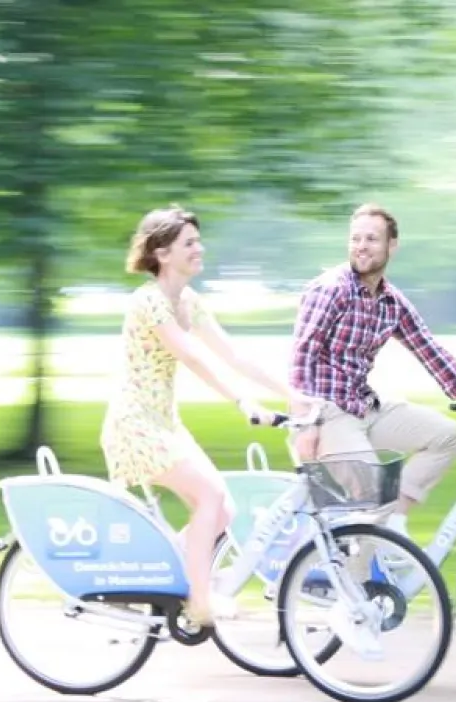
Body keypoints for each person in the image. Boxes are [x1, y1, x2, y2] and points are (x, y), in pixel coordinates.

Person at [101, 203, 307, 626]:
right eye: (189, 243)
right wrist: (243, 402)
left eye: (198, 240)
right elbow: (193, 356)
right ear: (162, 253)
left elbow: (232, 353)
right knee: (210, 498)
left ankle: (149, 578)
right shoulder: (149, 302)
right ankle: (198, 603)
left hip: (162, 422)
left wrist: (292, 394)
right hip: (134, 424)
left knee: (223, 510)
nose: (200, 248)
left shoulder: (188, 300)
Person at [289, 203, 456, 542]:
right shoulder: (331, 289)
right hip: (325, 414)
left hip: (365, 406)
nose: (361, 246)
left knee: (447, 436)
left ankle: (394, 519)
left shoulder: (391, 302)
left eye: (371, 239)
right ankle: (353, 592)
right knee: (373, 492)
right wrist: (304, 424)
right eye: (355, 239)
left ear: (391, 246)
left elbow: (429, 350)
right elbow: (301, 356)